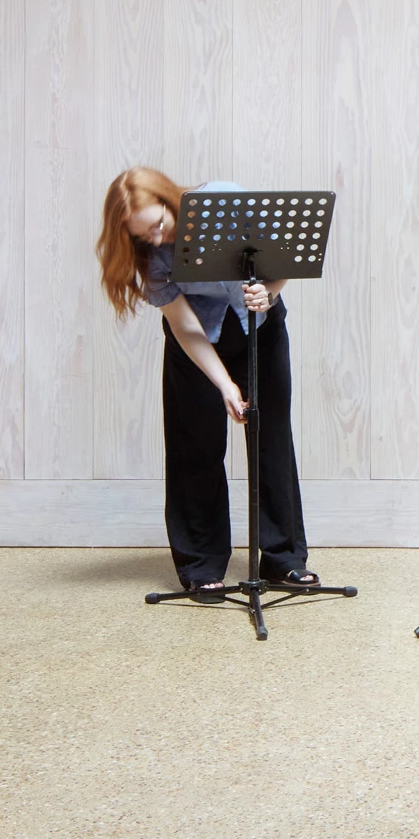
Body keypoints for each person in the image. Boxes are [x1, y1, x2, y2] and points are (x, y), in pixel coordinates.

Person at [97, 167, 319, 597]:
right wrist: (224, 385)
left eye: (158, 226)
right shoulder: (151, 255)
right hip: (199, 341)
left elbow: (281, 259)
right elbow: (184, 327)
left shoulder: (223, 200)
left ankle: (284, 560)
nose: (156, 240)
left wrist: (268, 294)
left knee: (271, 439)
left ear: (169, 200)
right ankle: (201, 563)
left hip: (260, 327)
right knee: (194, 447)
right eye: (143, 237)